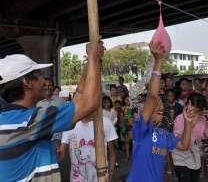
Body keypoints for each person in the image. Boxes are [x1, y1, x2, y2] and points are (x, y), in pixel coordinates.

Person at [0, 41, 104, 181]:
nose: (45, 81)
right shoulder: (29, 122)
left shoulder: (9, 120)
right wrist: (93, 58)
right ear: (27, 82)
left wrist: (88, 70)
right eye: (40, 74)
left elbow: (77, 104)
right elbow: (90, 103)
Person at [127, 42, 196, 182]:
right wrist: (158, 61)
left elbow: (184, 146)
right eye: (155, 109)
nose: (159, 110)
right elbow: (152, 96)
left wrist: (188, 124)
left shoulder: (164, 134)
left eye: (161, 110)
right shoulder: (141, 130)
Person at [59, 96, 118, 182]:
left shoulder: (105, 122)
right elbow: (62, 150)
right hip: (77, 179)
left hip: (100, 178)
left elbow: (112, 152)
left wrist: (111, 173)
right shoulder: (70, 124)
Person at [172, 93, 208, 182]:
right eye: (195, 110)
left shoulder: (203, 119)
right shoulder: (179, 119)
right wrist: (190, 123)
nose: (197, 114)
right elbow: (179, 139)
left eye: (199, 111)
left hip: (194, 154)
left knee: (194, 179)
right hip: (180, 155)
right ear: (188, 104)